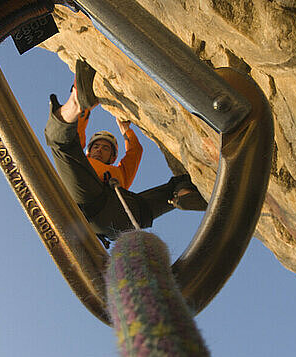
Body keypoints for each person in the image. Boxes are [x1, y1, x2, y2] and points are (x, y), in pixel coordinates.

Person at [45, 59, 207, 246]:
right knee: (65, 141)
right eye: (96, 146)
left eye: (105, 148)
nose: (99, 150)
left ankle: (185, 196)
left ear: (113, 157)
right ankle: (78, 101)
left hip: (106, 211)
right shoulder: (87, 164)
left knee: (60, 144)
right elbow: (77, 133)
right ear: (88, 150)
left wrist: (126, 132)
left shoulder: (119, 173)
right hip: (123, 218)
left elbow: (135, 153)